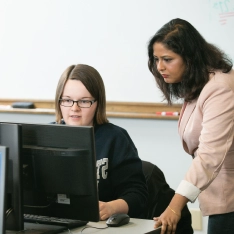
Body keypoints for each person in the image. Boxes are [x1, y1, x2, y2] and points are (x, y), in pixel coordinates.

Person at [147, 18, 234, 234]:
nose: (160, 67)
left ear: (190, 58)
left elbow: (209, 155)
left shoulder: (220, 88)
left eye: (167, 59)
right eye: (156, 59)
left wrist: (175, 206)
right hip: (220, 196)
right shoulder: (199, 84)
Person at [53, 63, 148, 220]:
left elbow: (138, 195)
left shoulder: (115, 138)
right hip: (52, 221)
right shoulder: (43, 136)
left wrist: (111, 208)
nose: (74, 108)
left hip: (99, 225)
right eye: (67, 100)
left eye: (84, 101)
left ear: (97, 103)